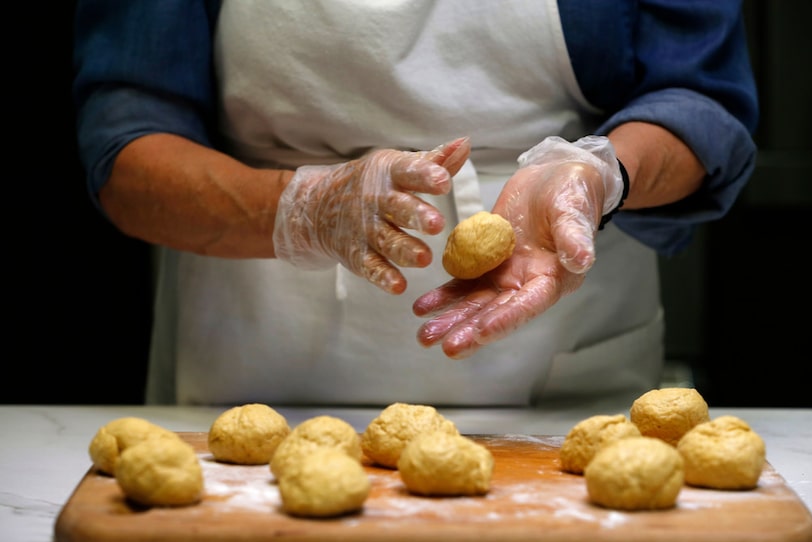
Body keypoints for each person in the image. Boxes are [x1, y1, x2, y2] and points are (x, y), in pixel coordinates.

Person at [72, 1, 758, 408]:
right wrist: (296, 208)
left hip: (559, 326)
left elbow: (702, 99)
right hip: (259, 342)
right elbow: (126, 141)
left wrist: (595, 171)